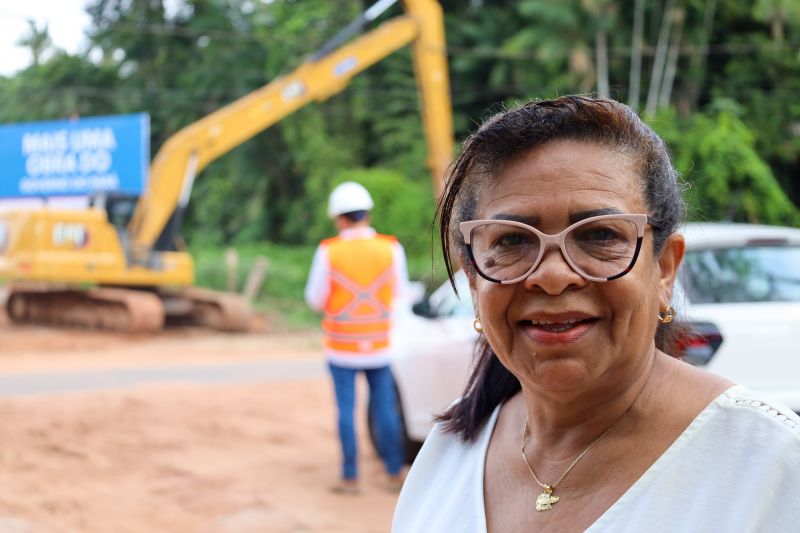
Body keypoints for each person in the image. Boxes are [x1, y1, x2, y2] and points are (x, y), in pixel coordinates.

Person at [393, 96, 800, 531]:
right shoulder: (449, 450)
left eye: (600, 234)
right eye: (512, 241)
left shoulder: (771, 468)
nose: (551, 277)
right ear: (474, 277)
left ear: (664, 269)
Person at [305, 181, 408, 495]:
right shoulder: (391, 248)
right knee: (385, 409)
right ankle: (393, 472)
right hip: (379, 347)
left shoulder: (329, 252)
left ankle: (350, 477)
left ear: (338, 217)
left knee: (346, 411)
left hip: (341, 348)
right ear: (367, 213)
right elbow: (400, 293)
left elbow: (314, 298)